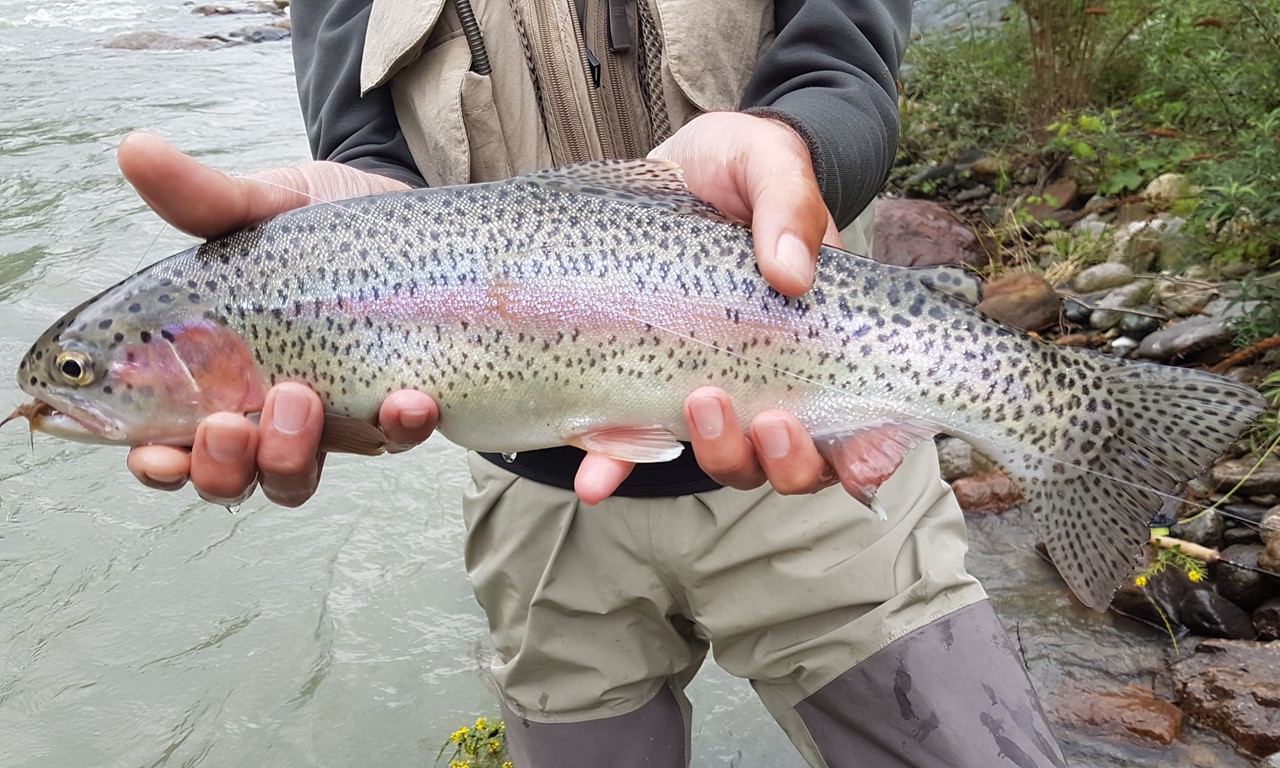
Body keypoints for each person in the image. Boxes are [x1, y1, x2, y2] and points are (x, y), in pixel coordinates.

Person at [122, 1, 1068, 766]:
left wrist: (795, 144)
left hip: (808, 437)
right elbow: (370, 163)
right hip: (536, 497)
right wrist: (358, 278)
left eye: (88, 373)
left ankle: (1073, 425)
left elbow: (845, 62)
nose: (83, 392)